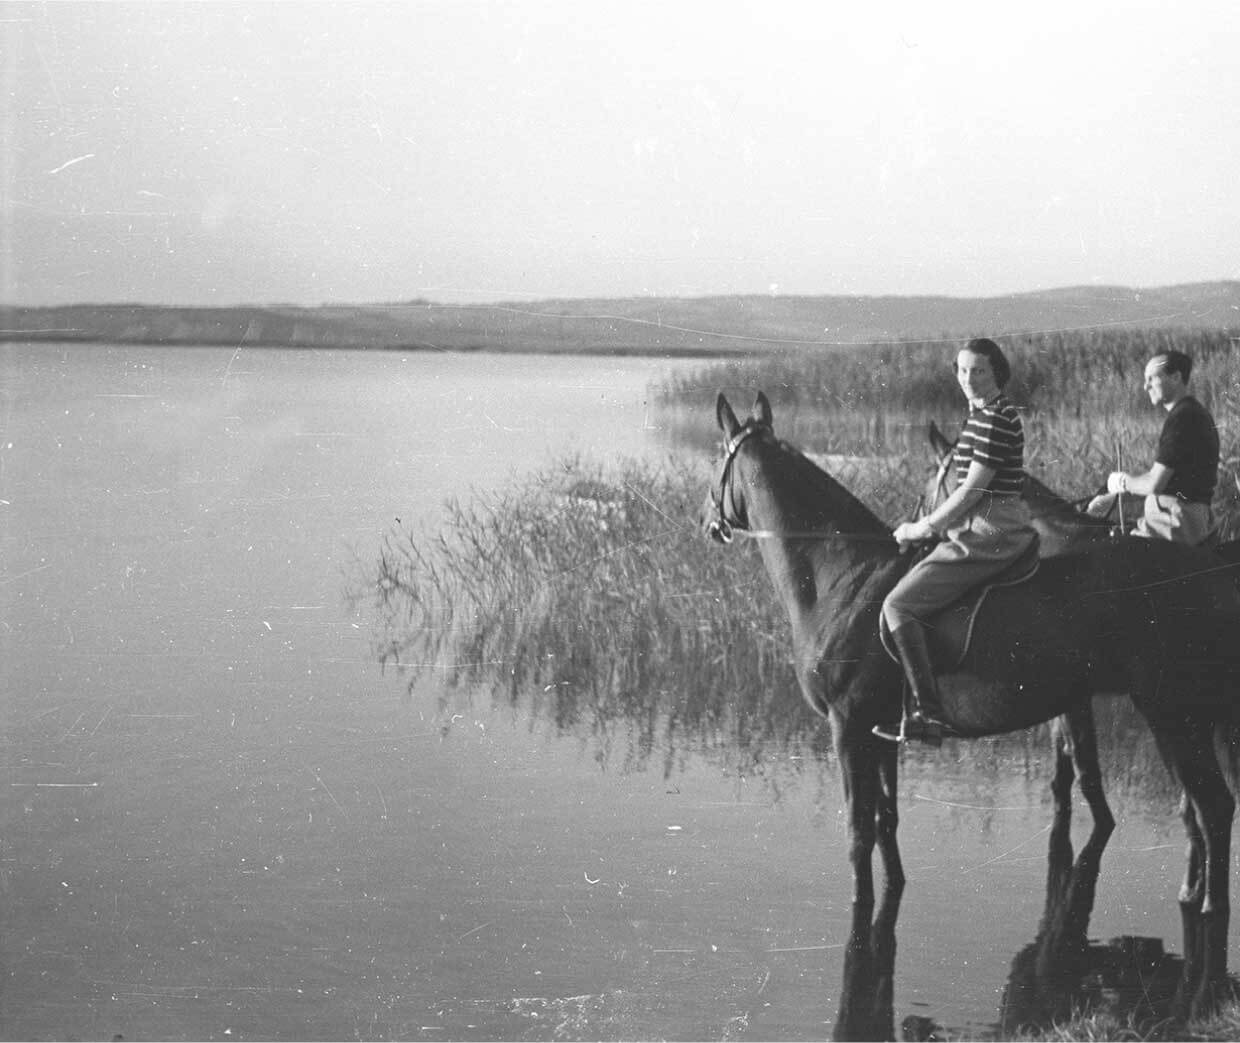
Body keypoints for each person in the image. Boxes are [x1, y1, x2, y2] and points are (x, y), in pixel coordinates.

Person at [877, 338, 1037, 745]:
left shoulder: (997, 418)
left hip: (989, 532)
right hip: (977, 527)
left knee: (898, 605)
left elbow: (971, 494)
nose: (969, 379)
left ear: (996, 372)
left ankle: (929, 714)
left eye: (979, 370)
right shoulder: (981, 416)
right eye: (963, 371)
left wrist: (921, 528)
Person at [1085, 350, 1219, 546]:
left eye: (1151, 378)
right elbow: (1172, 484)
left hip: (1175, 522)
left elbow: (1154, 484)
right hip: (1186, 517)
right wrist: (1117, 496)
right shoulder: (1194, 412)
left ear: (1175, 377)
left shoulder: (1182, 418)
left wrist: (1121, 482)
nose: (1145, 386)